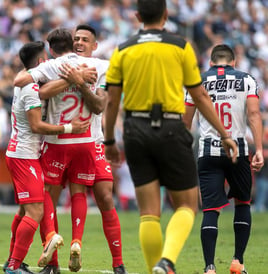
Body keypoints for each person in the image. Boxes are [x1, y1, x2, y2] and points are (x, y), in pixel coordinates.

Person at [102, 1, 238, 274]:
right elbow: (199, 96)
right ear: (166, 14)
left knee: (148, 213)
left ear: (138, 16)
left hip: (135, 129)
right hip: (171, 127)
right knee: (187, 205)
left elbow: (112, 100)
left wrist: (109, 141)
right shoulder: (181, 46)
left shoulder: (123, 49)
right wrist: (225, 135)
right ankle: (167, 262)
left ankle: (157, 267)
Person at [35, 24, 128, 274]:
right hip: (63, 140)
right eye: (76, 38)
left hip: (92, 141)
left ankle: (118, 263)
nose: (79, 42)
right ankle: (52, 264)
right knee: (50, 201)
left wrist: (80, 83)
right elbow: (42, 92)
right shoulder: (60, 65)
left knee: (105, 197)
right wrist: (72, 78)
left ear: (94, 45)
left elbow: (99, 105)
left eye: (85, 39)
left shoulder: (102, 67)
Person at [14, 28, 102, 273]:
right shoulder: (96, 64)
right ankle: (77, 241)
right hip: (86, 139)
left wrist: (64, 79)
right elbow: (103, 102)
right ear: (73, 44)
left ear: (50, 50)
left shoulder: (52, 65)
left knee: (44, 197)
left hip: (57, 140)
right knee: (79, 194)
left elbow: (22, 83)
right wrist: (79, 78)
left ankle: (50, 240)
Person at [184, 44, 264, 274]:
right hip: (237, 150)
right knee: (242, 202)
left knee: (210, 208)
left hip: (208, 151)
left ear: (210, 62)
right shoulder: (247, 80)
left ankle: (209, 267)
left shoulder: (197, 81)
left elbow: (185, 123)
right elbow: (254, 114)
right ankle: (237, 262)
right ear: (234, 61)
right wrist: (258, 148)